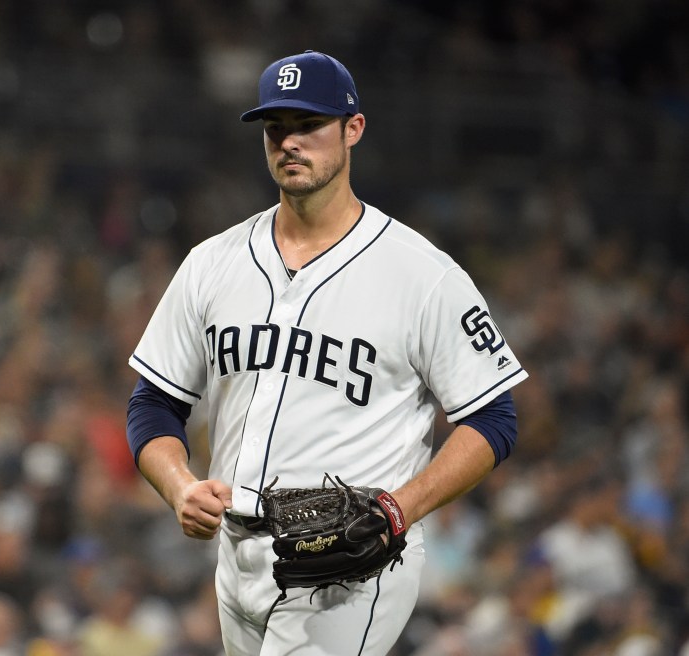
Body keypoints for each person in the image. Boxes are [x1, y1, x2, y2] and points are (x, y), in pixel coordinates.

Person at [126, 50, 528, 656]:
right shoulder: (214, 261)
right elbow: (154, 403)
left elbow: (494, 417)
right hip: (235, 558)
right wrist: (179, 485)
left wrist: (401, 508)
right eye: (275, 128)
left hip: (354, 569)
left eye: (308, 125)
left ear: (353, 129)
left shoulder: (421, 275)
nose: (290, 143)